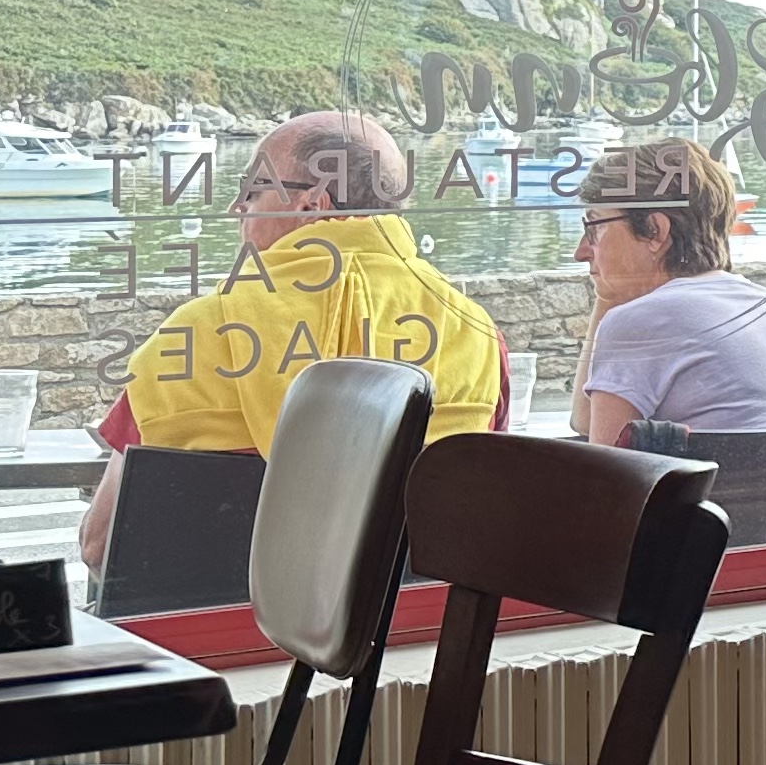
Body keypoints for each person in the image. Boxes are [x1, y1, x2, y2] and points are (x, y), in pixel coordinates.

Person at [78, 110, 503, 566]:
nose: (237, 206)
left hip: (214, 612)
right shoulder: (475, 333)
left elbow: (99, 546)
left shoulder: (194, 335)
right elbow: (474, 519)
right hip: (412, 611)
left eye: (252, 188)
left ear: (310, 205)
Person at [573, 138, 766, 441]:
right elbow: (588, 421)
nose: (581, 252)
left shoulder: (643, 322)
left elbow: (605, 462)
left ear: (655, 231)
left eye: (595, 228)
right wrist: (609, 295)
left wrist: (614, 306)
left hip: (719, 475)